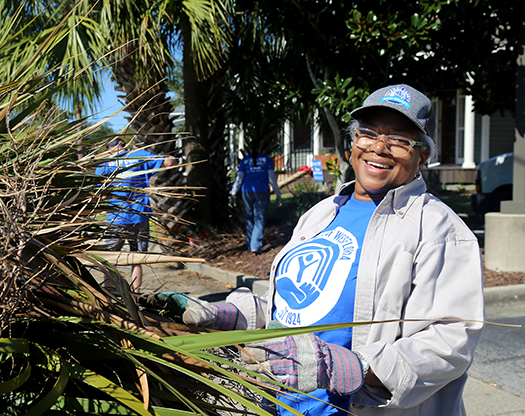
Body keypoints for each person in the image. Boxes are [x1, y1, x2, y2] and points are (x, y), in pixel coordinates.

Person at [154, 84, 485, 415]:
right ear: (353, 143)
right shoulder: (322, 213)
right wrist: (225, 315)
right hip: (279, 404)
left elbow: (449, 343)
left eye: (399, 139)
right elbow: (290, 307)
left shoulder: (441, 230)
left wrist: (351, 367)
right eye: (368, 133)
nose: (379, 148)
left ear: (422, 154)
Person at [96, 138, 175, 293]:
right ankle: (136, 295)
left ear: (110, 148)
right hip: (139, 215)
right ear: (124, 146)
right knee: (137, 258)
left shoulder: (104, 163)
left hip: (116, 217)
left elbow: (98, 190)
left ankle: (110, 294)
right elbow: (168, 163)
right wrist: (171, 157)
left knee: (110, 258)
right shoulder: (138, 155)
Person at [231, 142, 283, 254]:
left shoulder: (245, 160)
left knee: (249, 217)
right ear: (259, 147)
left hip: (247, 191)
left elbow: (239, 178)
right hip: (262, 191)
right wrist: (278, 193)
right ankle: (255, 245)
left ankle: (250, 244)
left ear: (249, 148)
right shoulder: (266, 159)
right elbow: (272, 178)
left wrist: (233, 193)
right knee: (259, 218)